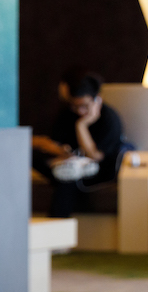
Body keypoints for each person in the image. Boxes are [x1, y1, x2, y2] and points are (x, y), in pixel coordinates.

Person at [31, 70, 127, 218]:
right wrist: (60, 154)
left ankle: (56, 229)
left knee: (67, 180)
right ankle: (68, 169)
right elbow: (55, 143)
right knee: (35, 157)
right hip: (67, 162)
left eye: (84, 106)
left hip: (98, 169)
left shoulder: (109, 118)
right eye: (75, 106)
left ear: (97, 100)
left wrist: (81, 126)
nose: (80, 111)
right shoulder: (67, 113)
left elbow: (95, 155)